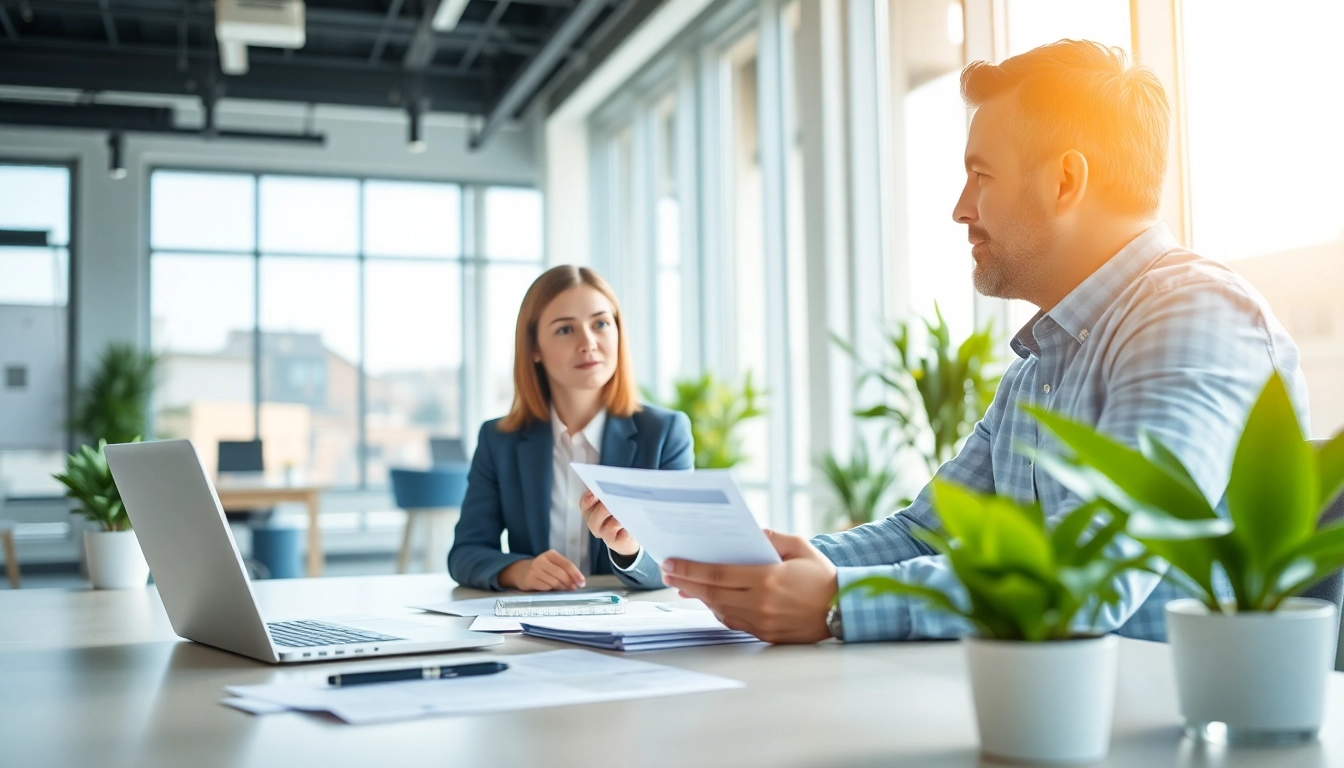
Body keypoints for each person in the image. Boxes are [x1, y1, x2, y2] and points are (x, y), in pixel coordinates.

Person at [618, 40, 1308, 642]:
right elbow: (927, 534)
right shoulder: (1043, 363)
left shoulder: (1195, 317)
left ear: (1066, 180)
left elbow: (1095, 571)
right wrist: (753, 567)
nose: (960, 208)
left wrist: (838, 604)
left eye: (981, 175)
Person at [448, 265, 692, 591]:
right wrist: (519, 570)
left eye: (601, 324)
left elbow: (677, 563)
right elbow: (465, 553)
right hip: (533, 625)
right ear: (534, 348)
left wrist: (628, 551)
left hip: (629, 622)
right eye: (565, 330)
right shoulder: (499, 440)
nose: (588, 342)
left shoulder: (664, 434)